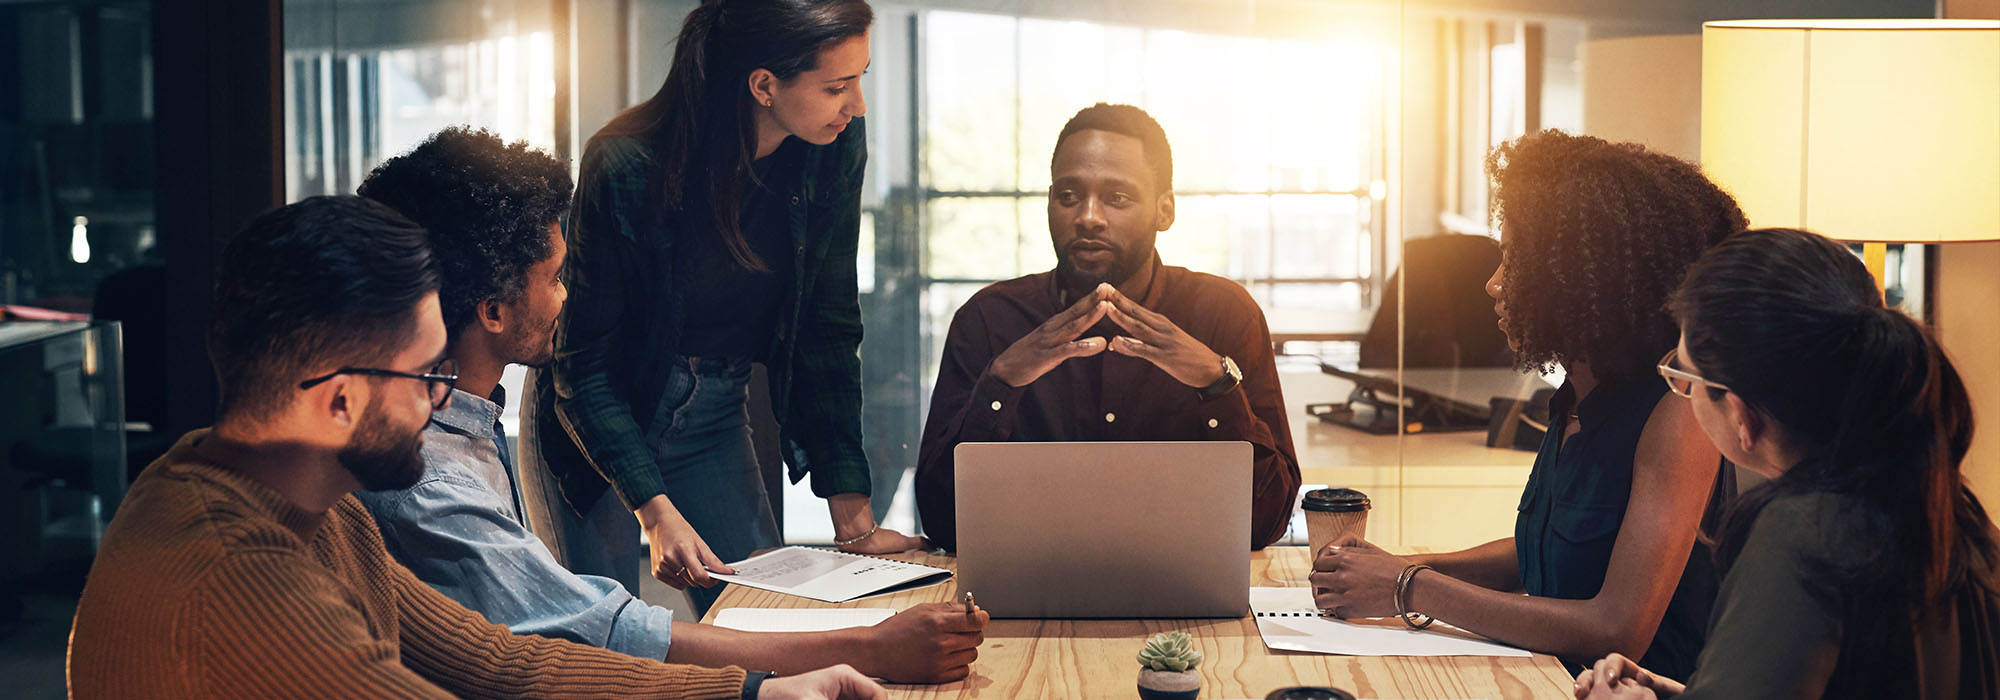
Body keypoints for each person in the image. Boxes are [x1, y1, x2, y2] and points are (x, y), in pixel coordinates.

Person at [65, 195, 883, 699]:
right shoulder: (234, 579)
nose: (445, 401)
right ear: (340, 397)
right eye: (427, 376)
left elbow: (502, 665)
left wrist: (752, 694)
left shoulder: (307, 502)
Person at [355, 126, 985, 683]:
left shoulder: (467, 417)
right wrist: (868, 649)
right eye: (556, 279)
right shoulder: (430, 481)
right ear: (492, 311)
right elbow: (596, 633)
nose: (568, 297)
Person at [524, 0, 917, 617]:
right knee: (601, 634)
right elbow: (584, 369)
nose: (858, 105)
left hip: (713, 413)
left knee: (764, 625)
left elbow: (828, 325)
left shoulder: (832, 146)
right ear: (763, 85)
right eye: (838, 86)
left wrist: (855, 522)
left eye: (861, 78)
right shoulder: (625, 163)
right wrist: (654, 511)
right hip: (595, 423)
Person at [1311, 130, 1746, 680]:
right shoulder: (1572, 398)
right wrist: (1402, 566)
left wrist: (1408, 587)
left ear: (1586, 281)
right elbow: (1538, 552)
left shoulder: (1677, 413)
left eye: (1514, 261)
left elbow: (1618, 628)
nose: (1494, 285)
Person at [1572, 228, 2000, 699]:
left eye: (1684, 376)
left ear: (1741, 414)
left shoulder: (1801, 536)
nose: (1683, 393)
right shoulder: (1955, 511)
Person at [913, 103, 1302, 551]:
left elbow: (1268, 521)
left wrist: (1216, 384)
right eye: (1068, 195)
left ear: (1164, 211)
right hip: (1026, 599)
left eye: (1117, 198)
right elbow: (943, 523)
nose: (1088, 217)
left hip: (1184, 601)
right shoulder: (990, 320)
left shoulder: (1224, 315)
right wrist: (1001, 382)